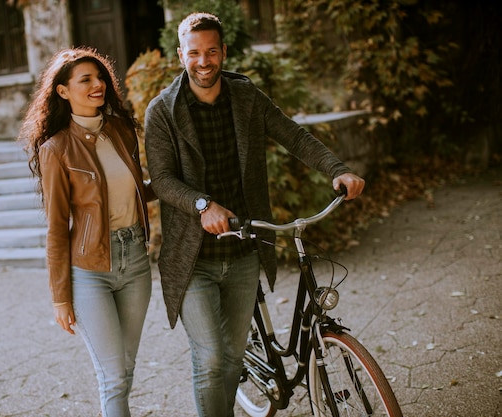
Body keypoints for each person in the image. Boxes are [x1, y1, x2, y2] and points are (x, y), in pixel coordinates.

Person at [144, 12, 365, 417]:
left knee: (230, 358)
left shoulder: (246, 98)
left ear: (224, 51)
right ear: (181, 56)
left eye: (212, 51)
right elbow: (160, 179)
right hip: (193, 258)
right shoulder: (163, 111)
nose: (204, 61)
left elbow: (293, 135)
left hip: (245, 248)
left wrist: (338, 169)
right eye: (194, 53)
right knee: (211, 359)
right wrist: (202, 205)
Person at [18, 47, 155, 417]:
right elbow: (57, 228)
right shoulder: (57, 149)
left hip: (136, 262)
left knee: (125, 369)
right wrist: (61, 297)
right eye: (86, 80)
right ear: (63, 91)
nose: (98, 85)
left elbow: (136, 188)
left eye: (100, 78)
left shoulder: (122, 130)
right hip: (90, 270)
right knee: (112, 376)